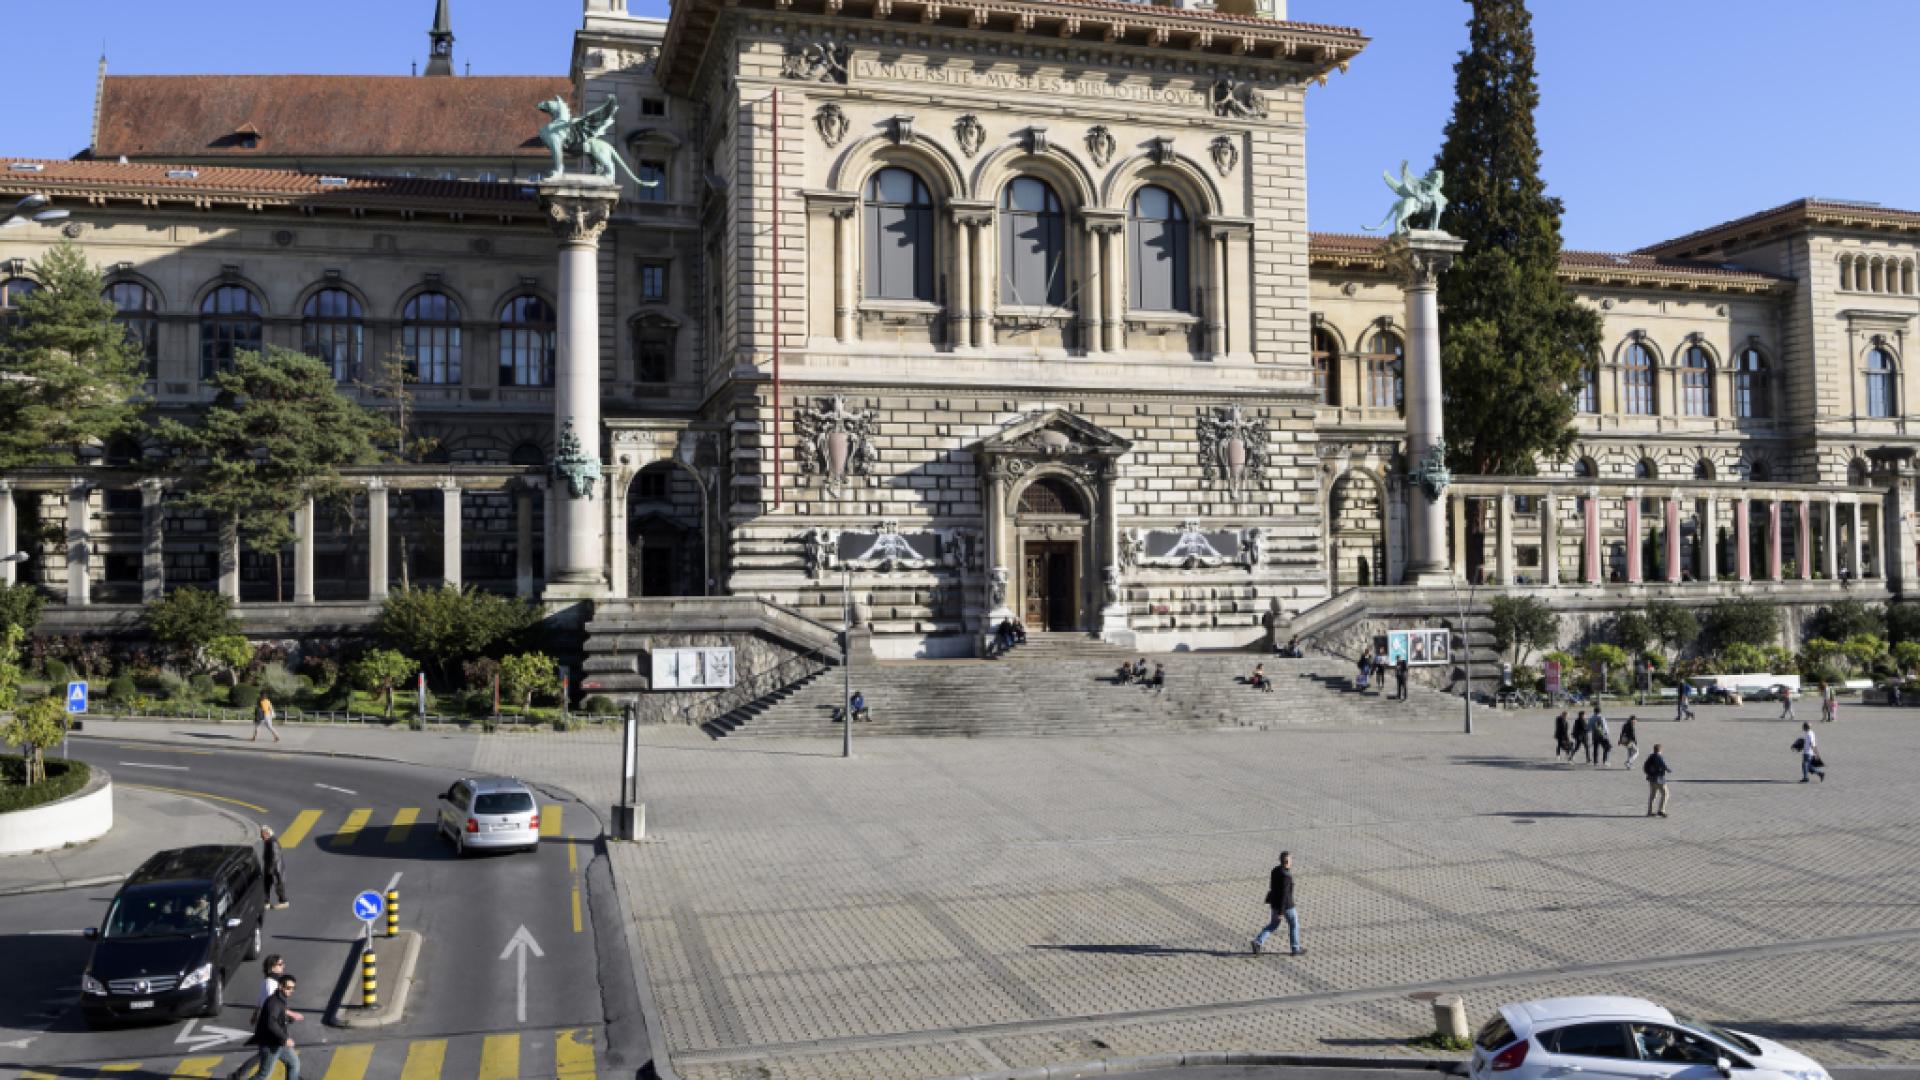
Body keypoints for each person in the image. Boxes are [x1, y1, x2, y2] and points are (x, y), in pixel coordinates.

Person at [233, 972, 301, 1080]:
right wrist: (285, 1038)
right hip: (270, 1045)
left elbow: (277, 1018)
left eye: (293, 988)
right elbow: (271, 1023)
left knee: (294, 1063)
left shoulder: (280, 1000)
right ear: (280, 986)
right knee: (263, 1075)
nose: (291, 991)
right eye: (288, 988)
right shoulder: (274, 1002)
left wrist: (288, 1019)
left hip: (279, 1043)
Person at [1250, 850, 1303, 956]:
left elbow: (1273, 887)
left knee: (1273, 924)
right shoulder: (1286, 876)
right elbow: (1284, 895)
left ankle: (1257, 942)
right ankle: (1295, 948)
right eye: (1291, 860)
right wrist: (1281, 912)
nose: (1292, 861)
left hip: (1274, 903)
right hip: (1286, 906)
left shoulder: (1275, 870)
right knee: (1294, 924)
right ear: (1287, 862)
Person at [260, 826, 288, 910]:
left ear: (267, 833)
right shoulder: (269, 841)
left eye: (262, 835)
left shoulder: (272, 842)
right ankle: (266, 902)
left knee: (278, 886)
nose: (261, 837)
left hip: (274, 869)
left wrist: (270, 870)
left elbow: (274, 857)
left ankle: (283, 902)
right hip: (271, 868)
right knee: (266, 885)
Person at [1644, 743, 1671, 817]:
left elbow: (1645, 767)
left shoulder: (1651, 756)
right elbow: (1663, 765)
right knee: (1666, 794)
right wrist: (1668, 770)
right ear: (1660, 750)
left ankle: (1650, 811)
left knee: (1653, 795)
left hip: (1651, 779)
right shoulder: (1659, 757)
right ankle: (1661, 810)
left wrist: (1649, 773)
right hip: (1659, 779)